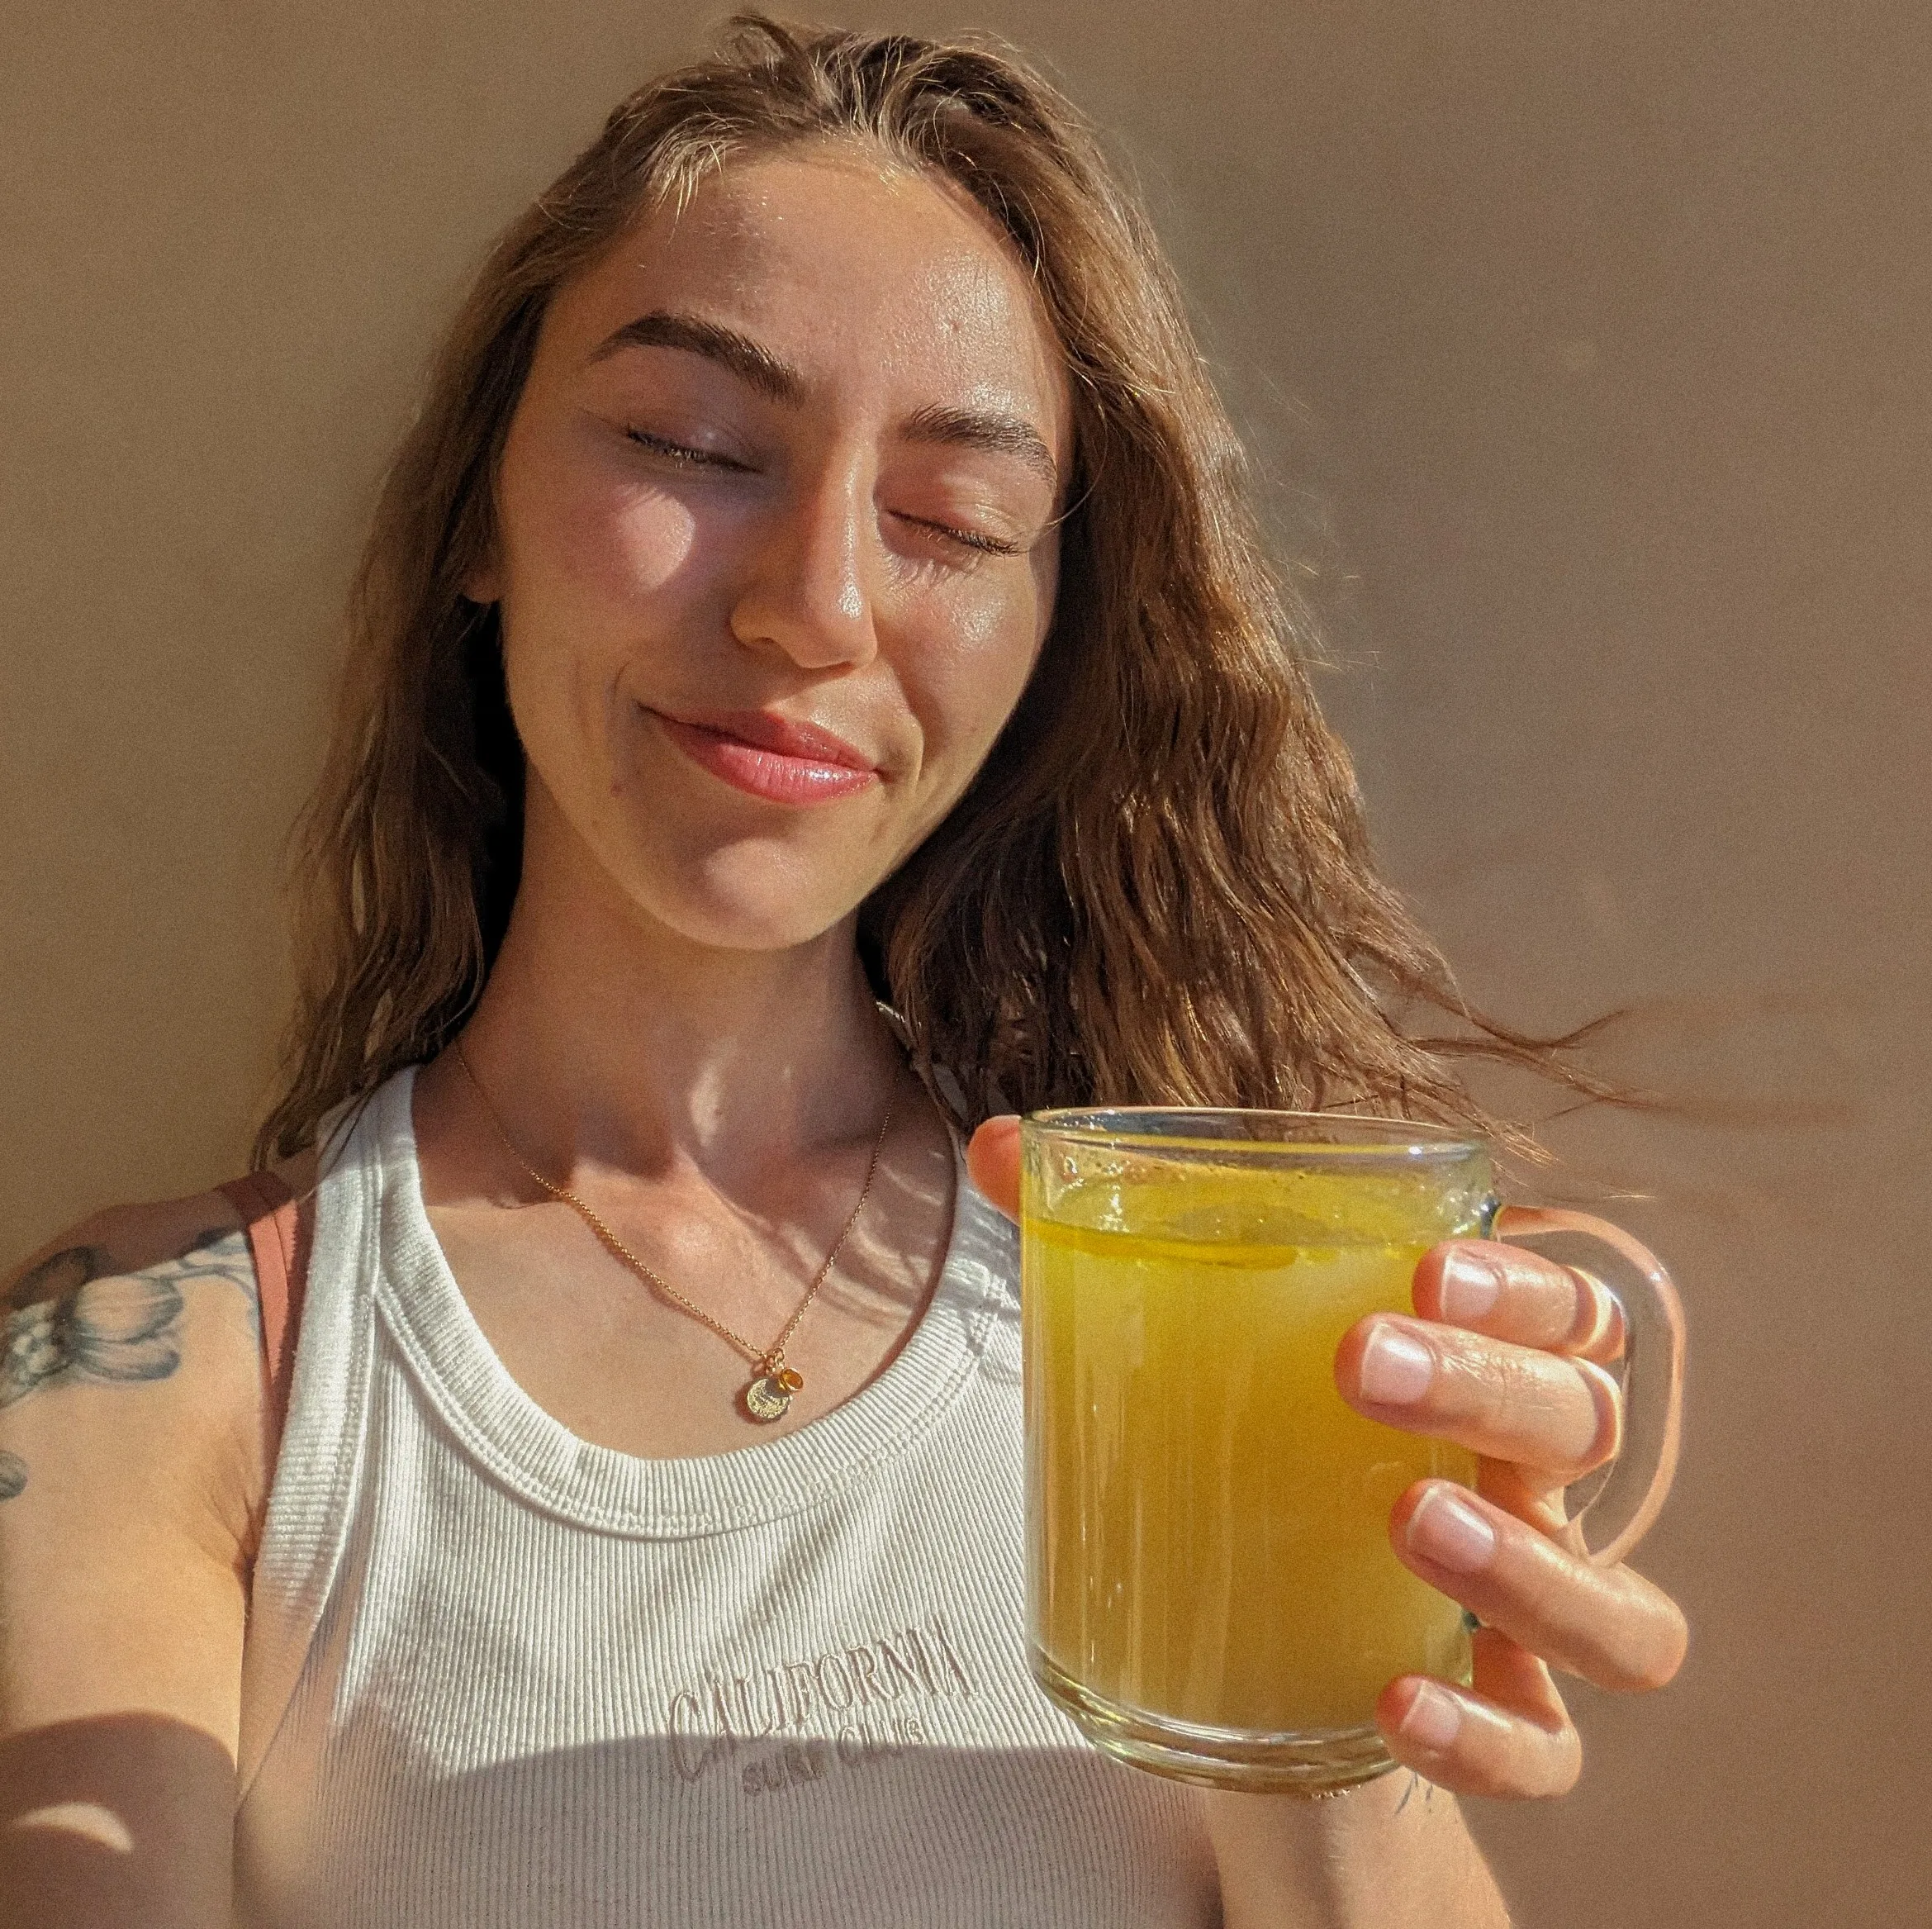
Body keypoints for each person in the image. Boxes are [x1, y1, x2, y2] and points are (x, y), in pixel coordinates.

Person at [0, 17, 1687, 1927]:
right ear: (480, 511)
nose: (814, 604)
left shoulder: (1187, 1312)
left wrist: (1332, 1705)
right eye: (693, 447)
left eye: (952, 521)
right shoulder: (166, 1364)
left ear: (1048, 629)